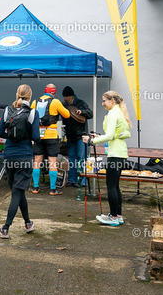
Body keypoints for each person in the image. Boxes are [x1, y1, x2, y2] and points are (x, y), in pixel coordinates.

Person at [0, 84, 40, 239]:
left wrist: (12, 136)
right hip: (24, 156)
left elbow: (0, 132)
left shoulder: (7, 110)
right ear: (30, 96)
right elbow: (36, 137)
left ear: (17, 94)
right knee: (17, 193)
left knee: (18, 192)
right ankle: (6, 228)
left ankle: (28, 222)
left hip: (9, 155)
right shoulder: (33, 113)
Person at [82, 91, 132, 226]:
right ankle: (118, 216)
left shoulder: (113, 114)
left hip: (115, 154)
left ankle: (114, 217)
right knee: (115, 186)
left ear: (112, 101)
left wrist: (91, 141)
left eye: (104, 100)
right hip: (120, 153)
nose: (102, 103)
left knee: (111, 187)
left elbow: (109, 136)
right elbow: (118, 134)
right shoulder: (119, 112)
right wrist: (98, 137)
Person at [30, 84, 70, 195]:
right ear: (53, 92)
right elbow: (67, 115)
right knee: (52, 162)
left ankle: (35, 187)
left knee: (37, 161)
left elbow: (30, 117)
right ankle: (53, 189)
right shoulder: (55, 102)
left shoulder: (35, 102)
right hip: (51, 136)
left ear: (45, 91)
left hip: (39, 135)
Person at [61, 86, 93, 187]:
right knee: (72, 158)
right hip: (70, 136)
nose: (66, 99)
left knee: (81, 158)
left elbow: (90, 114)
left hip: (81, 136)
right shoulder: (64, 105)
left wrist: (82, 112)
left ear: (72, 96)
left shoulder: (80, 103)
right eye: (65, 97)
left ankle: (83, 181)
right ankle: (72, 180)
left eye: (68, 97)